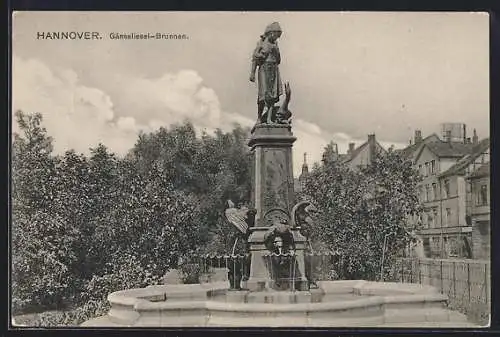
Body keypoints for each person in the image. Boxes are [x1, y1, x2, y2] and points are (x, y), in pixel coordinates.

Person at [249, 22, 283, 123]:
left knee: (272, 96)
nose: (277, 38)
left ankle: (269, 118)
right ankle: (259, 117)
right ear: (271, 33)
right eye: (276, 35)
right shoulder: (261, 44)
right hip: (264, 69)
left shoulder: (275, 45)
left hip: (274, 70)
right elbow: (255, 58)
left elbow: (279, 60)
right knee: (263, 95)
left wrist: (276, 50)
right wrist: (252, 73)